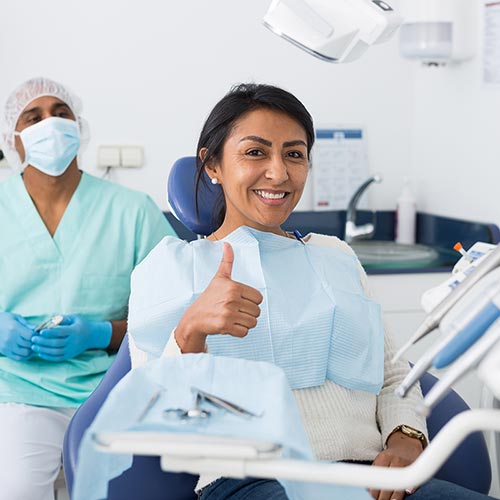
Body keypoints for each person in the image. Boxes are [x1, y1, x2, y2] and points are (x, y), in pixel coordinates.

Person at [127, 83, 492, 500]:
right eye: (255, 152)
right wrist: (190, 332)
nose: (279, 172)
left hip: (372, 480)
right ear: (212, 166)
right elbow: (151, 416)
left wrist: (406, 438)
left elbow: (393, 371)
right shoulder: (170, 268)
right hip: (252, 482)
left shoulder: (334, 255)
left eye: (294, 154)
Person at [0, 76, 177, 500]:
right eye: (34, 116)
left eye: (62, 114)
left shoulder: (133, 211)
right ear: (14, 138)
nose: (51, 123)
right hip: (21, 390)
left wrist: (103, 333)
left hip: (112, 386)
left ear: (79, 127)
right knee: (17, 489)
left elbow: (173, 313)